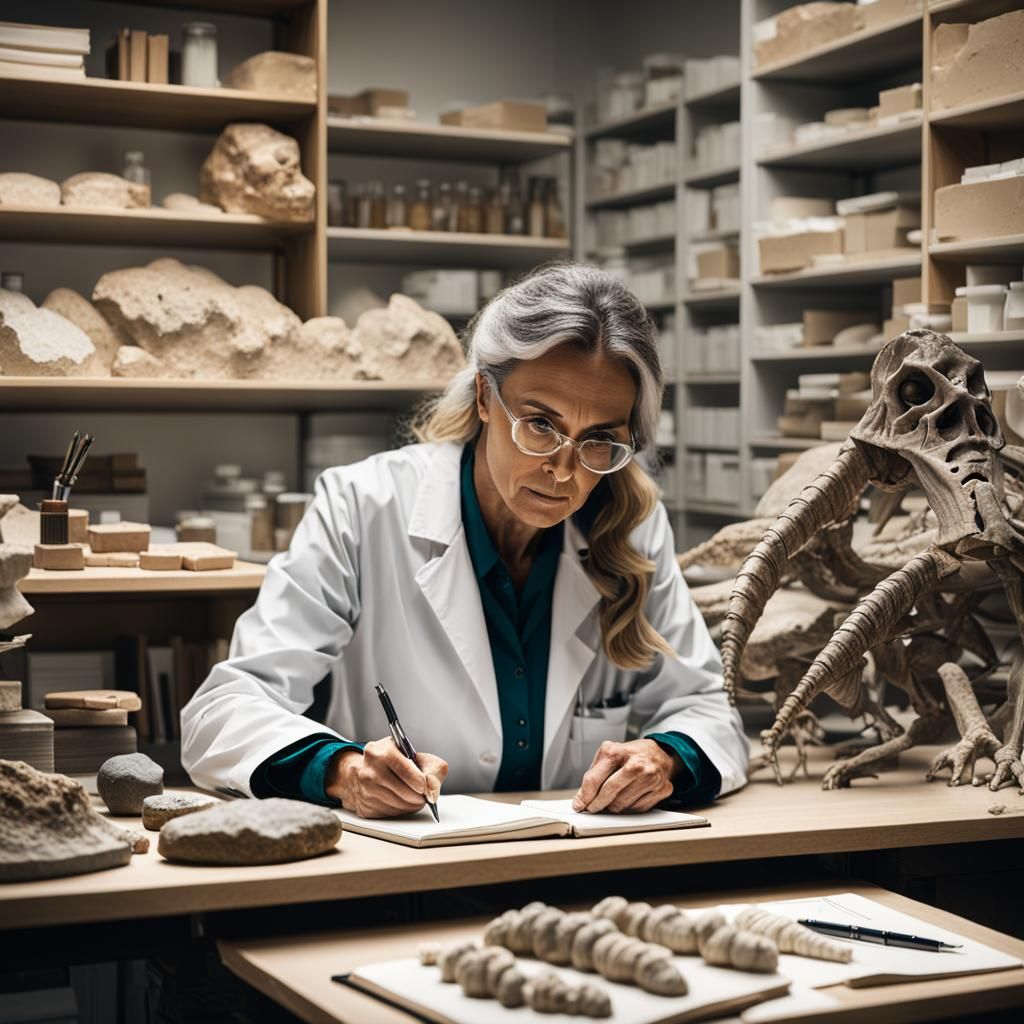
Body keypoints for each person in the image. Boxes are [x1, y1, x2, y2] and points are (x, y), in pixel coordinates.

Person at [180, 263, 747, 818]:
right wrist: (343, 771)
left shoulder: (631, 527)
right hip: (397, 876)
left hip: (573, 876)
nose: (564, 470)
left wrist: (663, 758)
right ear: (483, 397)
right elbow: (223, 711)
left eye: (598, 441)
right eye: (541, 425)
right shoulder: (363, 504)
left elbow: (706, 711)